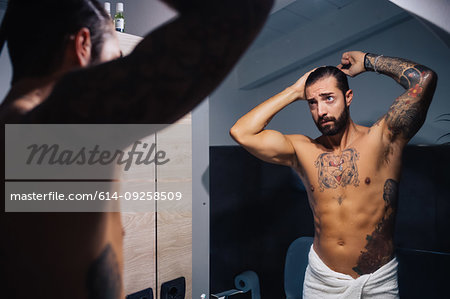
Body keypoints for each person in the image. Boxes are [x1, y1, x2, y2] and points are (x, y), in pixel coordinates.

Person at [0, 0, 274, 298]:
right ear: (82, 45)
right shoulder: (66, 119)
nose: (117, 69)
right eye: (116, 59)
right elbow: (240, 8)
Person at [230, 51, 437, 298]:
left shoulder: (384, 138)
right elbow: (241, 132)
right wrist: (295, 91)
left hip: (377, 284)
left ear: (348, 97)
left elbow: (424, 78)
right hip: (323, 283)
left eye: (328, 98)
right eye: (312, 103)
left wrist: (369, 62)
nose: (321, 111)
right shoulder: (302, 149)